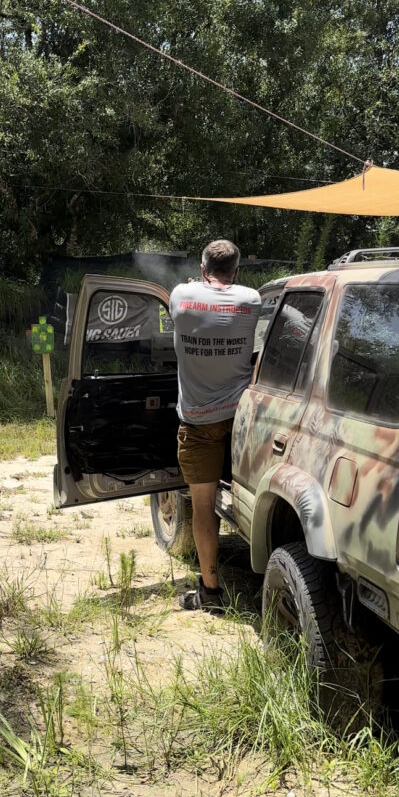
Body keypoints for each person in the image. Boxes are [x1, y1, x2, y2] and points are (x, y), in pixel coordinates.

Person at [169, 239, 261, 611]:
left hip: (199, 423)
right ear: (236, 271)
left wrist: (197, 284)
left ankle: (210, 593)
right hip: (243, 418)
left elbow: (189, 297)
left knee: (204, 507)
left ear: (203, 268)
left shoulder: (181, 295)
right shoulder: (251, 300)